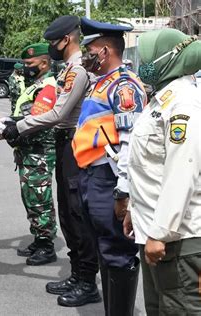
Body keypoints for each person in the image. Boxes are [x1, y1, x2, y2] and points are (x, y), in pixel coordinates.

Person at [3, 15, 101, 307]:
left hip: (74, 142)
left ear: (66, 40)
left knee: (76, 214)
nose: (50, 48)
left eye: (52, 43)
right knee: (69, 216)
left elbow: (58, 114)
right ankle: (76, 273)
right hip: (64, 143)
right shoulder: (68, 69)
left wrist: (18, 127)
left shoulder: (77, 69)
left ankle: (87, 281)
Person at [72, 18, 147, 315]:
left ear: (105, 50)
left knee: (117, 252)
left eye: (90, 49)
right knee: (104, 250)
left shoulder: (124, 86)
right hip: (91, 176)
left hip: (108, 179)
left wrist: (122, 191)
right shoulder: (100, 83)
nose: (86, 56)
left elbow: (130, 142)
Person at [125, 29, 201, 316]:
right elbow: (149, 167)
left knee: (180, 309)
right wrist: (135, 209)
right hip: (154, 232)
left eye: (148, 58)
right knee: (159, 309)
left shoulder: (184, 105)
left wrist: (161, 232)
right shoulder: (161, 100)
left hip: (178, 239)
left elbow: (183, 171)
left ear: (170, 60)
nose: (143, 65)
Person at [3, 43, 59, 267]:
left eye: (30, 64)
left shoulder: (48, 87)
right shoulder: (35, 85)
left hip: (39, 152)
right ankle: (38, 237)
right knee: (30, 197)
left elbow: (38, 124)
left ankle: (46, 245)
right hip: (28, 152)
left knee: (39, 198)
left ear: (44, 63)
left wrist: (12, 133)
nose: (25, 68)